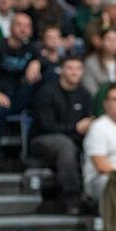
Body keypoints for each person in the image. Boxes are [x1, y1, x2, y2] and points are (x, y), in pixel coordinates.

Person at [29, 56, 93, 214]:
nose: (74, 72)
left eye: (78, 68)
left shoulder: (85, 94)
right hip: (42, 140)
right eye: (70, 68)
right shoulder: (47, 92)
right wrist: (76, 128)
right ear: (61, 70)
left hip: (74, 140)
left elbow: (88, 119)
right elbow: (46, 126)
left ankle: (93, 197)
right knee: (65, 145)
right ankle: (72, 198)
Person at [0, 12, 41, 174]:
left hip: (18, 97)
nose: (23, 29)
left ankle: (33, 157)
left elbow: (45, 61)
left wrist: (37, 63)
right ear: (11, 27)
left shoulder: (32, 49)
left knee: (45, 83)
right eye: (19, 25)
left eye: (27, 26)